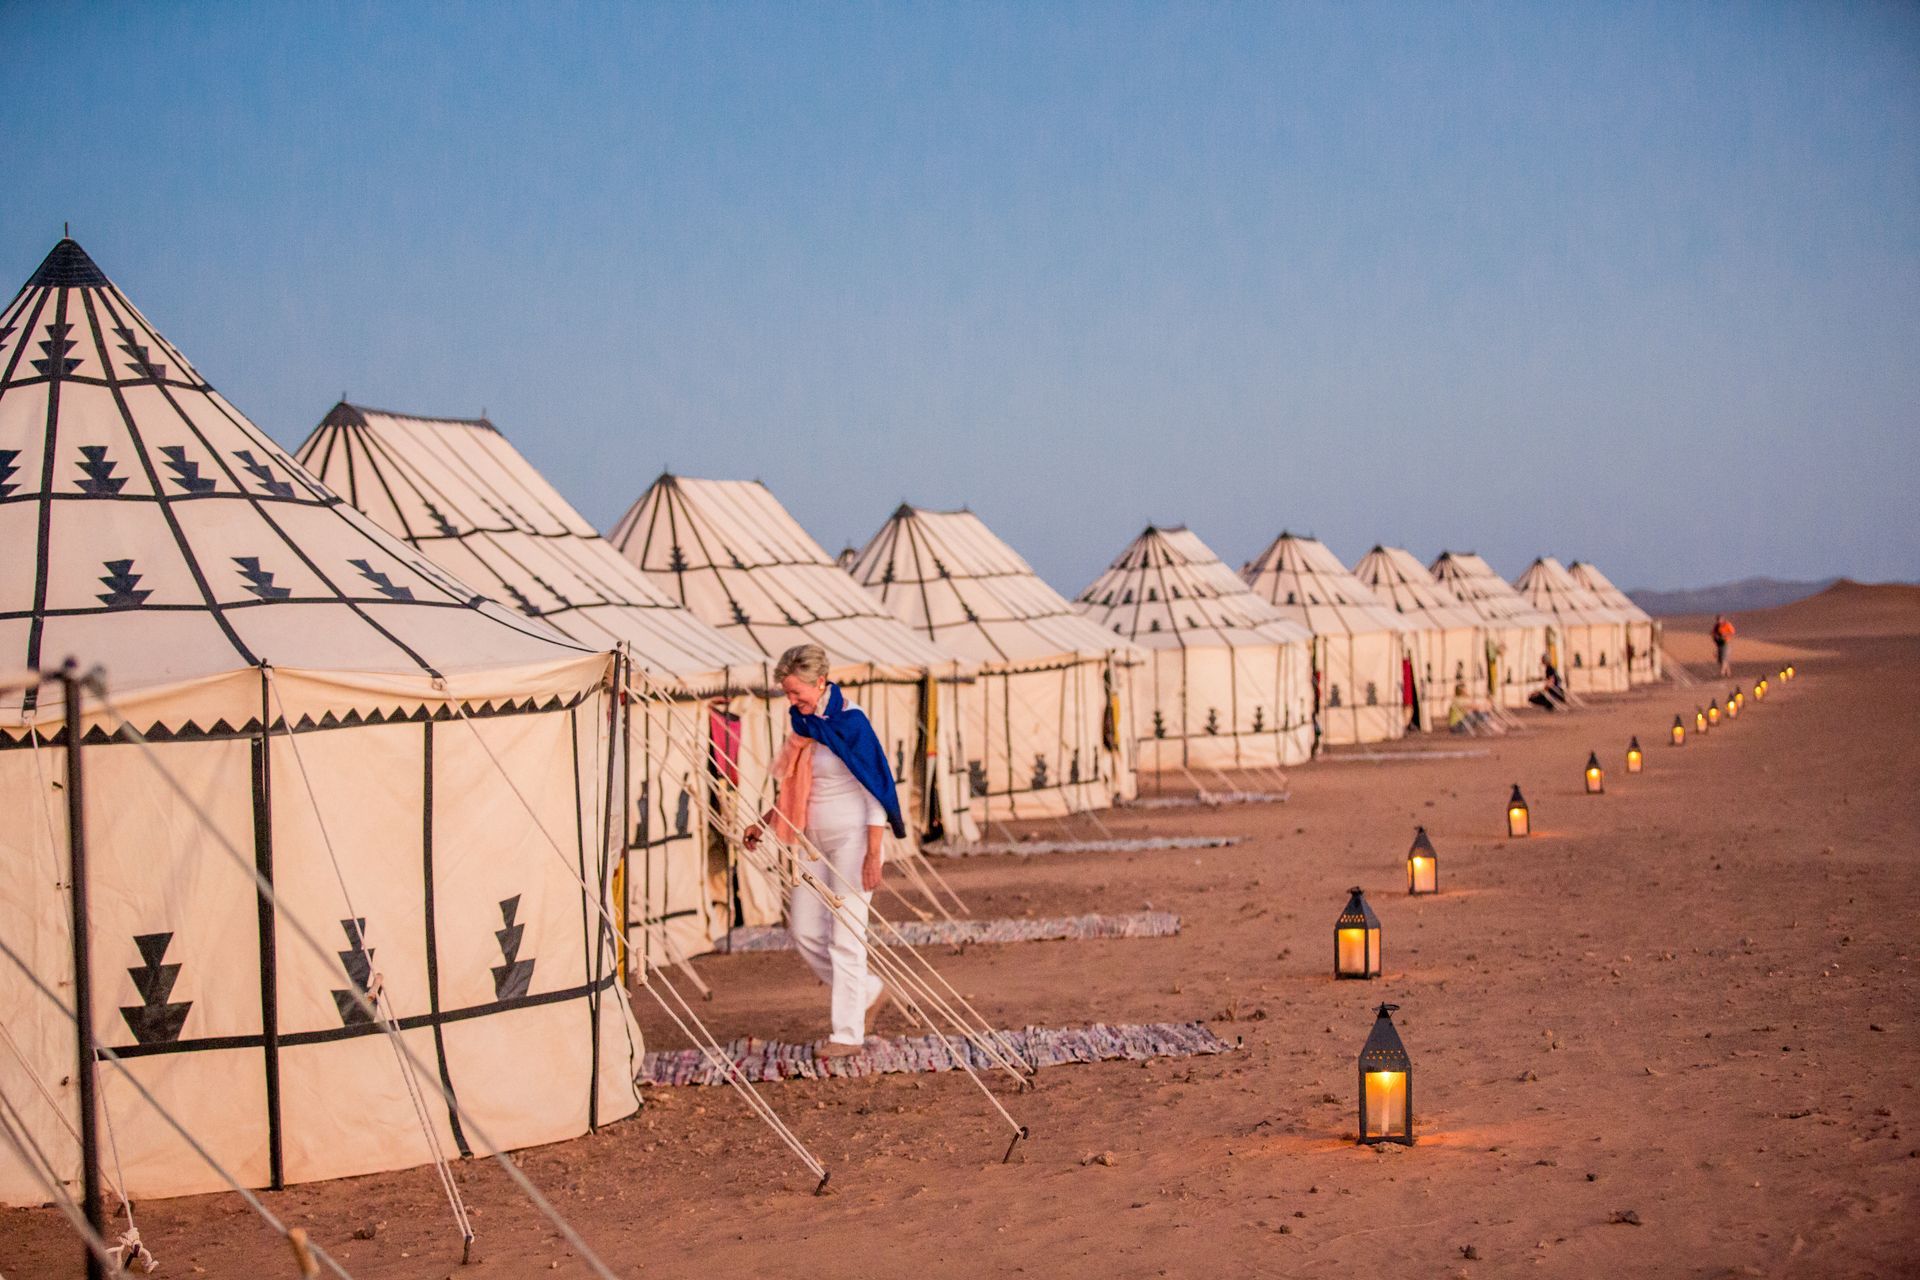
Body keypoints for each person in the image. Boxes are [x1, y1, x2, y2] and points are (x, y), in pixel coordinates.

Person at [744, 644, 907, 1058]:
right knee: (805, 931)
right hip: (812, 842)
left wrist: (874, 852)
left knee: (847, 938)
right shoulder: (804, 724)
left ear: (821, 682)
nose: (791, 701)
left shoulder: (851, 723)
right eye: (787, 693)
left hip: (853, 840)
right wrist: (765, 821)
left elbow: (875, 789)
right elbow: (797, 784)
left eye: (797, 692)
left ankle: (847, 1035)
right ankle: (868, 991)